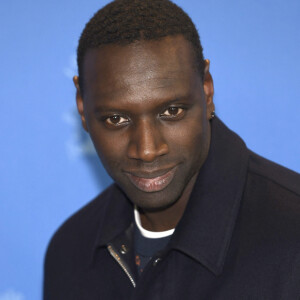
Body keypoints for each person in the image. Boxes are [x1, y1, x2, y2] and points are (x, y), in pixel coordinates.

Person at [43, 0, 300, 299]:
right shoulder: (70, 252)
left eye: (172, 111)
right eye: (116, 119)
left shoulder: (292, 235)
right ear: (83, 108)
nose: (148, 150)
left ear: (207, 89)